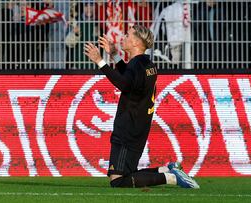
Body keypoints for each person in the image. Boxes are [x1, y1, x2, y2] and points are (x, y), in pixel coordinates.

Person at [83, 24, 199, 189]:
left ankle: (171, 177)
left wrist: (100, 61)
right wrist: (114, 55)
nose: (123, 37)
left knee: (118, 181)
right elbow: (130, 78)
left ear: (137, 42)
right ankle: (168, 169)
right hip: (139, 125)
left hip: (127, 128)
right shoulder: (146, 64)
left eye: (128, 35)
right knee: (129, 173)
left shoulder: (136, 65)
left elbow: (124, 83)